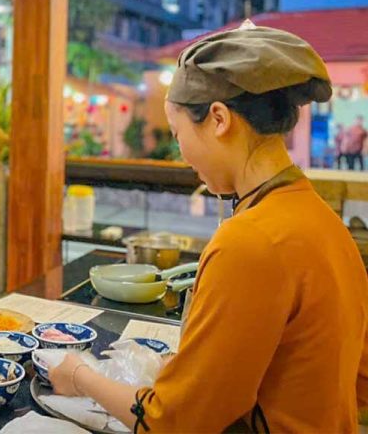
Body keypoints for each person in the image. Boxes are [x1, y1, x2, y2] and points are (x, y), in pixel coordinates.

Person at [51, 22, 368, 432]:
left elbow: (173, 422)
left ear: (218, 119)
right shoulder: (321, 219)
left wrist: (80, 377)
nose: (183, 154)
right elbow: (358, 381)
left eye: (179, 132)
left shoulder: (250, 240)